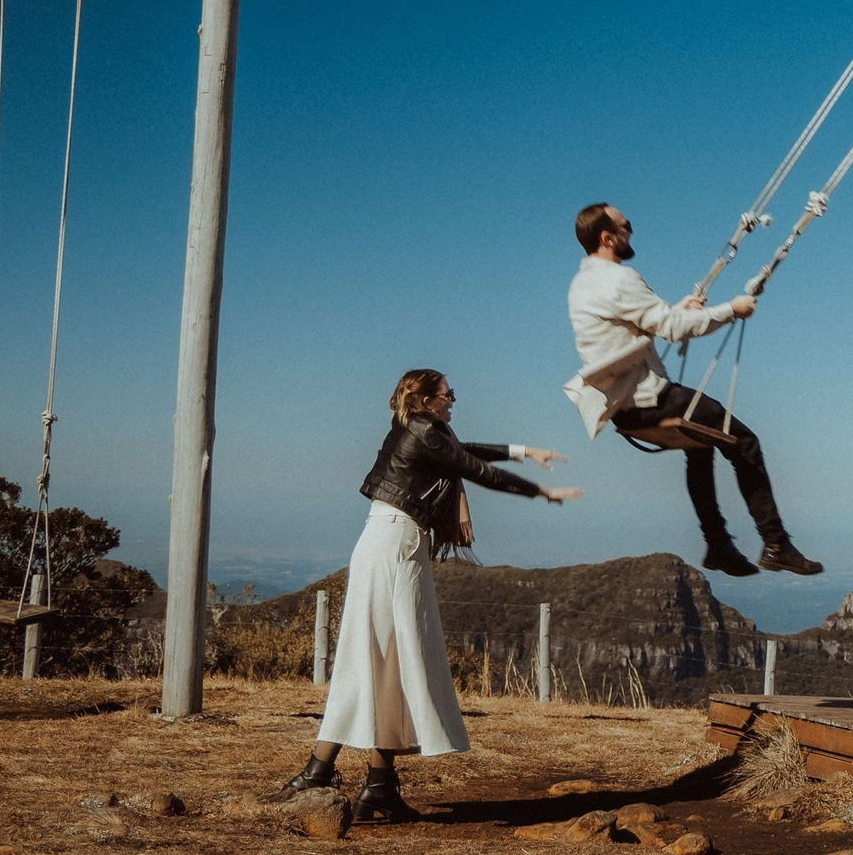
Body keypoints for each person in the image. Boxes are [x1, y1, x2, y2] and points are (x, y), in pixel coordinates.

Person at [282, 369, 581, 822]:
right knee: (376, 660)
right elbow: (474, 468)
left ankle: (376, 785)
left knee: (390, 664)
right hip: (396, 546)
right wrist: (541, 492)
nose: (453, 400)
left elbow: (465, 453)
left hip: (394, 542)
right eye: (447, 395)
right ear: (424, 399)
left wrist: (525, 452)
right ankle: (319, 772)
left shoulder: (419, 429)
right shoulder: (423, 431)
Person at [563, 201, 823, 577]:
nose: (630, 230)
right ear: (607, 237)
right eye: (625, 225)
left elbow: (639, 322)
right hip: (649, 399)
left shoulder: (582, 283)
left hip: (621, 408)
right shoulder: (620, 278)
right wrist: (732, 309)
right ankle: (776, 544)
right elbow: (672, 329)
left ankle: (718, 545)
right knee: (745, 443)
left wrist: (679, 309)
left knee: (701, 447)